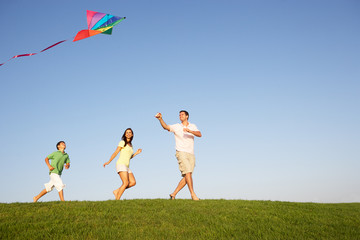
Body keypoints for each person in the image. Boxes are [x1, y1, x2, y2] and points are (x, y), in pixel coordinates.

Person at [155, 110, 202, 200]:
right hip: (181, 152)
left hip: (191, 153)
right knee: (188, 172)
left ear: (187, 116)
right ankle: (193, 194)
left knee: (187, 176)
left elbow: (199, 134)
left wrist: (190, 131)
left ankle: (173, 194)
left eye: (182, 114)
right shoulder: (177, 126)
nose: (180, 116)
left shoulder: (192, 126)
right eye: (179, 115)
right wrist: (160, 119)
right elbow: (166, 127)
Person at [103, 128, 142, 200]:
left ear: (132, 134)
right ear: (125, 134)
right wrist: (108, 162)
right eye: (127, 132)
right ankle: (117, 200)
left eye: (130, 132)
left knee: (133, 182)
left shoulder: (130, 145)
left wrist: (136, 153)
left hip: (127, 166)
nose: (128, 133)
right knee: (125, 183)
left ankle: (117, 191)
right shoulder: (122, 142)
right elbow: (115, 152)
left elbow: (129, 157)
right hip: (121, 164)